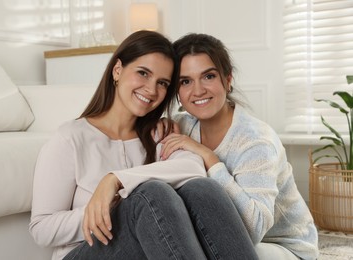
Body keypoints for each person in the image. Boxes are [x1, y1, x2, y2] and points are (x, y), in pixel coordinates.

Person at [29, 30, 258, 260]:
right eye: (143, 73)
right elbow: (41, 228)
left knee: (202, 189)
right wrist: (107, 212)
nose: (151, 89)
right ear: (117, 70)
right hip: (82, 253)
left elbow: (194, 169)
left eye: (162, 83)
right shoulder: (70, 138)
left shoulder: (158, 133)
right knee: (149, 193)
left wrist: (115, 180)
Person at [158, 33, 319, 260]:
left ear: (227, 79)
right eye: (185, 81)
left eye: (209, 76)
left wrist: (209, 157)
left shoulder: (256, 142)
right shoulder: (182, 125)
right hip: (221, 237)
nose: (198, 90)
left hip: (282, 247)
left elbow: (251, 231)